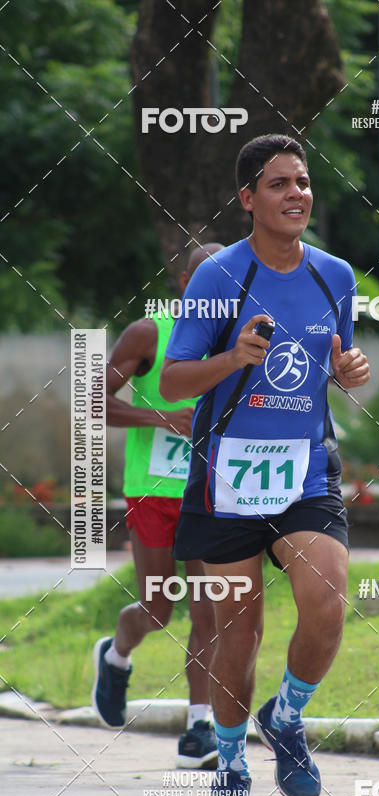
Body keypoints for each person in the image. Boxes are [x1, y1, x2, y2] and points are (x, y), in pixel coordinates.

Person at [160, 135, 370, 796]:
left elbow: (331, 363)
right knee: (237, 630)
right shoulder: (217, 276)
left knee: (328, 595)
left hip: (305, 471)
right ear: (248, 199)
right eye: (279, 184)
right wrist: (233, 358)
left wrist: (346, 373)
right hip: (226, 478)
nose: (296, 195)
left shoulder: (335, 276)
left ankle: (287, 715)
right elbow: (172, 378)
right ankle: (229, 764)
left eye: (304, 182)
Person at [92, 243, 224, 769]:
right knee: (158, 609)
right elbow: (92, 400)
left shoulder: (242, 338)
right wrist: (162, 418)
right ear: (183, 280)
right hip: (153, 491)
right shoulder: (151, 332)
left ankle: (199, 730)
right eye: (203, 278)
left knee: (208, 609)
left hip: (213, 494)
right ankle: (115, 653)